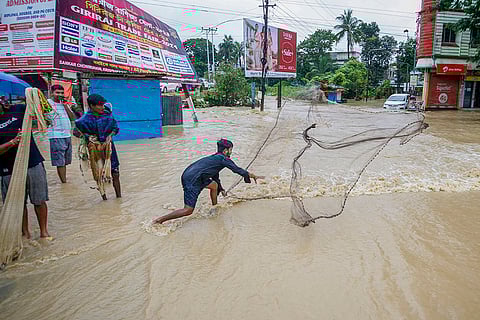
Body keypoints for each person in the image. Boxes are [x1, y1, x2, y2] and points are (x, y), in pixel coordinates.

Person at [153, 139, 264, 225]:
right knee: (188, 210)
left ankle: (214, 207)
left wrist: (222, 189)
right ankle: (159, 220)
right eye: (230, 150)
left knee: (214, 186)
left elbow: (215, 177)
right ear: (225, 151)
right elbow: (237, 170)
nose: (231, 152)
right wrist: (253, 176)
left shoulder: (216, 158)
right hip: (193, 179)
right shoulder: (224, 159)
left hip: (192, 175)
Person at [0, 96, 51, 239]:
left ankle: (44, 232)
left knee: (39, 200)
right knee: (17, 203)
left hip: (32, 162)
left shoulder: (19, 109)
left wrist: (35, 97)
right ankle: (25, 233)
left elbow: (42, 118)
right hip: (8, 168)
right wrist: (12, 142)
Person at [75, 94, 121, 199]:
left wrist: (110, 135)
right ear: (92, 106)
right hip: (94, 149)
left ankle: (119, 197)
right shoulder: (84, 120)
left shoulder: (107, 114)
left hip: (108, 146)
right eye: (99, 105)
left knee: (115, 172)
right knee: (98, 173)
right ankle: (104, 198)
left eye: (103, 105)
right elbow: (76, 132)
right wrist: (89, 137)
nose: (102, 107)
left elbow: (115, 128)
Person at [47, 84, 76, 183]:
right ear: (52, 93)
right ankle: (64, 183)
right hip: (55, 135)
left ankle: (64, 180)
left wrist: (65, 105)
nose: (59, 94)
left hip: (67, 135)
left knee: (65, 160)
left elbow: (72, 117)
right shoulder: (47, 104)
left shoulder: (65, 103)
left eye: (62, 93)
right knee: (60, 161)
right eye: (57, 92)